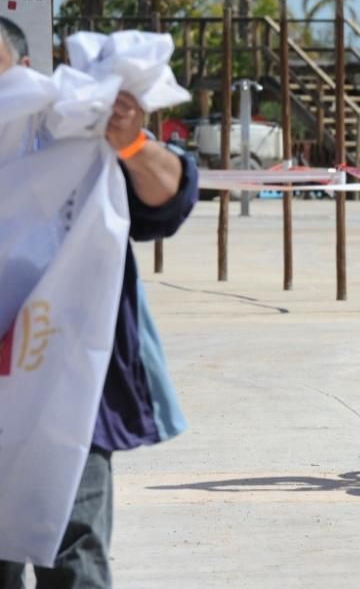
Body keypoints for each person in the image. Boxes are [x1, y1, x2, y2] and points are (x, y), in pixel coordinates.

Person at [0, 31, 199, 587]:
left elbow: (170, 199)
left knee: (75, 552)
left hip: (66, 395)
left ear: (27, 67)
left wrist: (131, 143)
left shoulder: (72, 134)